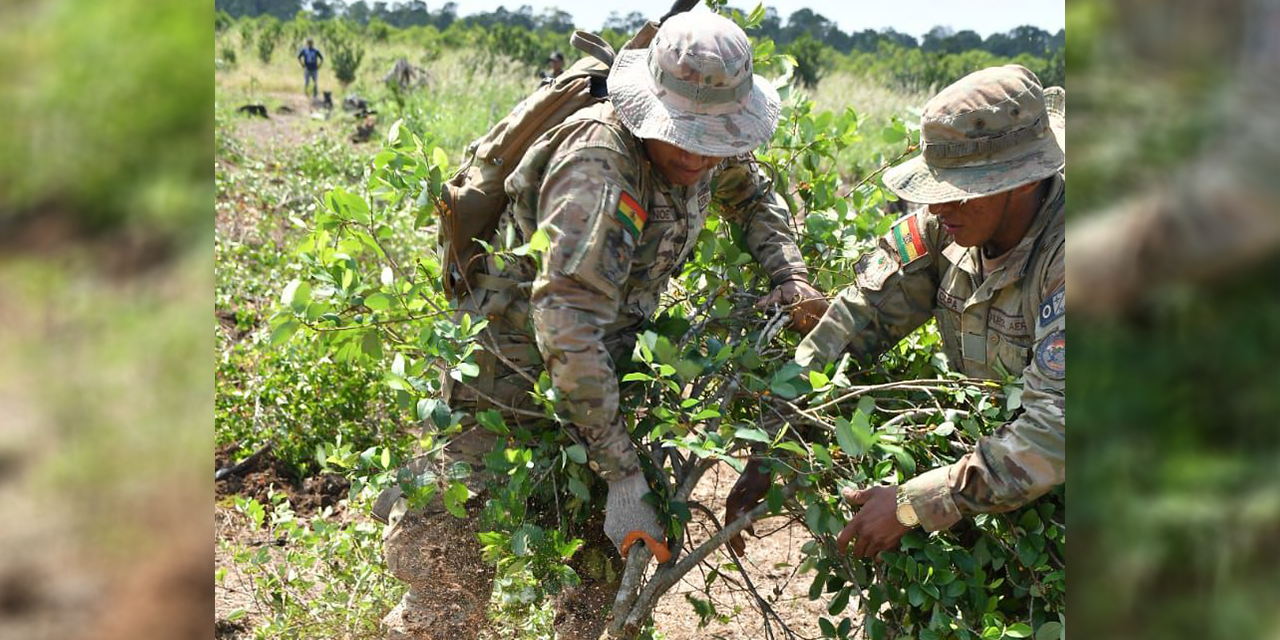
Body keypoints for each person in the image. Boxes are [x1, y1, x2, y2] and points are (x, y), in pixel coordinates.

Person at [376, 11, 827, 639]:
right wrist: (621, 472)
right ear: (652, 111)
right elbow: (565, 325)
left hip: (597, 387)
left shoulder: (706, 143)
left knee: (597, 586)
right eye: (687, 136)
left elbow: (751, 193)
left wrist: (790, 273)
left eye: (716, 138)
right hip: (503, 385)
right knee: (446, 587)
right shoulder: (599, 166)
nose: (702, 155)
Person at [728, 64, 1065, 560]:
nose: (938, 206)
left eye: (957, 189)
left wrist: (913, 506)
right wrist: (773, 446)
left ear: (1018, 182)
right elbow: (853, 321)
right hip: (1002, 494)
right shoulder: (943, 226)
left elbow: (1055, 430)